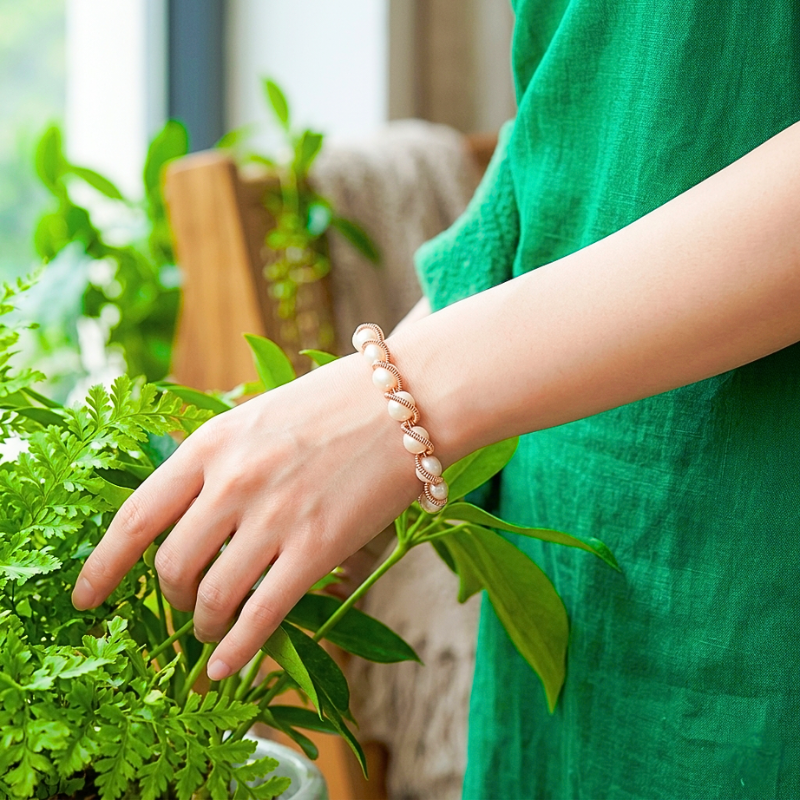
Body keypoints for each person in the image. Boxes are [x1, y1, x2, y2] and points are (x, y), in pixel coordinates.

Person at [73, 2, 800, 797]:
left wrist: (399, 401)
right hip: (572, 530)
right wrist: (360, 409)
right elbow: (581, 104)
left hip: (755, 551)